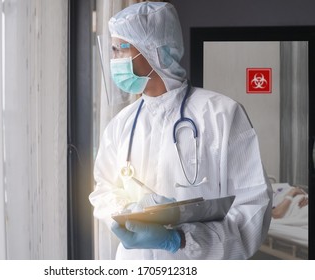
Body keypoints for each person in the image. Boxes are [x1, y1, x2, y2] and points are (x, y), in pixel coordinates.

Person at [89, 2, 272, 260]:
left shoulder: (222, 114)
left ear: (153, 51)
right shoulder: (121, 124)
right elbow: (103, 189)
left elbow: (253, 211)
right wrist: (126, 210)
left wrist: (180, 239)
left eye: (120, 49)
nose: (113, 60)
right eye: (112, 50)